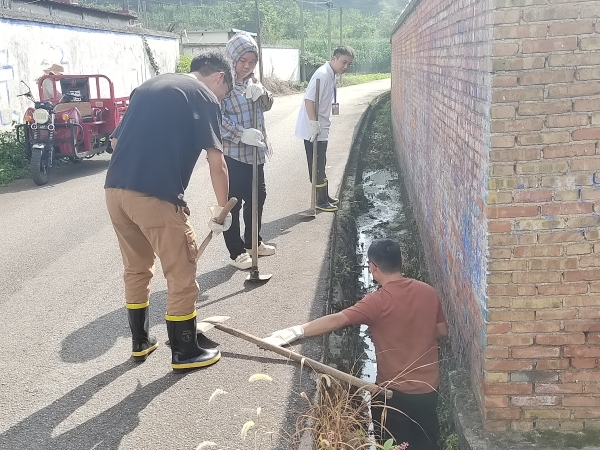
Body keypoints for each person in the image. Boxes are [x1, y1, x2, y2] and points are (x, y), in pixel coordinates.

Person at [104, 51, 234, 373]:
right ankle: (185, 350)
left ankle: (141, 341)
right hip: (155, 196)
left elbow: (114, 142)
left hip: (115, 191)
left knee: (136, 268)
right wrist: (222, 209)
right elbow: (217, 162)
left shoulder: (148, 87)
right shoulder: (204, 96)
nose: (221, 100)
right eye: (225, 94)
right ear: (219, 77)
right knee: (181, 271)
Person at [264, 239, 448, 449]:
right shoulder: (428, 291)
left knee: (392, 445)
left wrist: (296, 331)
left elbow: (337, 320)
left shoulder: (377, 302)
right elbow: (441, 330)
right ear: (402, 260)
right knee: (426, 443)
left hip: (391, 396)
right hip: (428, 391)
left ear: (373, 267)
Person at [220, 32, 276, 270]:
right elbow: (216, 119)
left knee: (257, 197)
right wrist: (240, 133)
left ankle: (253, 242)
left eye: (252, 62)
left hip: (255, 153)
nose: (247, 66)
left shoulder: (253, 81)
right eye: (243, 61)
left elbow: (267, 105)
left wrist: (263, 94)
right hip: (233, 155)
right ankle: (236, 252)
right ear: (232, 59)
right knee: (233, 202)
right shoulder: (223, 84)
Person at [295, 46, 355, 212]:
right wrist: (313, 123)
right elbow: (309, 100)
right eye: (343, 62)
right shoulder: (322, 75)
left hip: (320, 127)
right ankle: (319, 201)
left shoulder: (331, 74)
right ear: (334, 58)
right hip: (312, 129)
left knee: (321, 161)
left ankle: (324, 195)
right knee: (316, 163)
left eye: (349, 64)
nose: (345, 66)